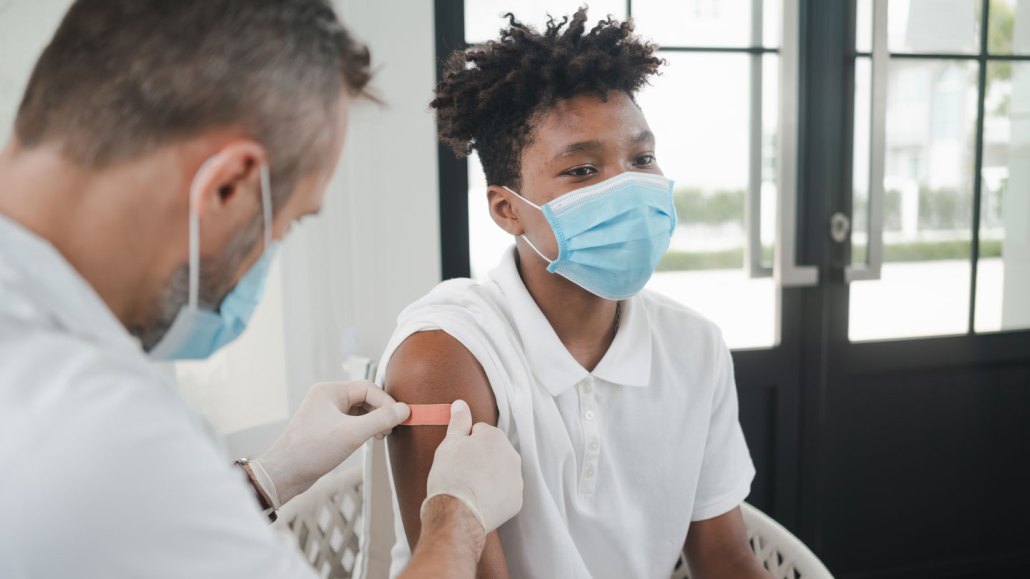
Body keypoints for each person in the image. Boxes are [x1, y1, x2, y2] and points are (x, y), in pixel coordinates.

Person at [0, 1, 522, 578]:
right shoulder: (100, 423)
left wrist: (266, 477)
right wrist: (457, 517)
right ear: (227, 188)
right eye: (292, 219)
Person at [379, 9, 771, 579]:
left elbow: (724, 558)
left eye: (641, 159)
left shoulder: (695, 346)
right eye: (583, 170)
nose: (628, 185)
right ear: (507, 209)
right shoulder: (444, 353)